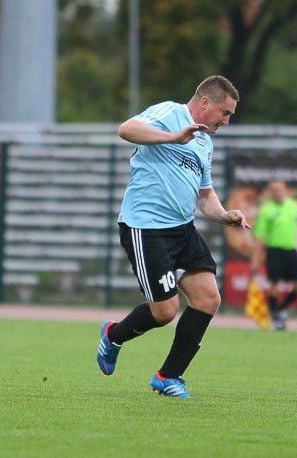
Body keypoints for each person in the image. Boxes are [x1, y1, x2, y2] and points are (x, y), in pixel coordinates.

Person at [96, 75, 250, 399]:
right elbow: (126, 129)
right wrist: (172, 137)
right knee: (165, 312)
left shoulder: (205, 143)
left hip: (182, 229)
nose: (226, 121)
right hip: (146, 227)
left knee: (208, 299)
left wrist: (225, 215)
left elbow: (205, 196)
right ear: (205, 102)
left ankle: (168, 377)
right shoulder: (170, 113)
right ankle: (113, 335)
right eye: (225, 113)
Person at [250, 179, 297, 330]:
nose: (278, 193)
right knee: (274, 287)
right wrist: (255, 259)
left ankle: (281, 309)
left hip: (291, 251)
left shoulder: (295, 207)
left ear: (286, 191)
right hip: (274, 251)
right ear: (270, 193)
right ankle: (275, 318)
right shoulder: (266, 209)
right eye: (274, 190)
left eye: (280, 190)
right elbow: (259, 236)